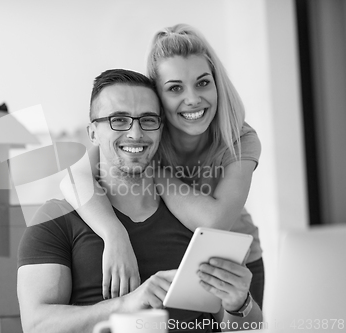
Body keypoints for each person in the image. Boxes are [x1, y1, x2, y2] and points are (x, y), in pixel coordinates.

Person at [17, 69, 263, 333]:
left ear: (161, 130)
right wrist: (124, 306)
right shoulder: (55, 220)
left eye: (147, 120)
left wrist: (240, 305)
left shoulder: (194, 218)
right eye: (118, 120)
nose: (135, 133)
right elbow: (36, 325)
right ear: (92, 133)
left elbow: (243, 328)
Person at [60, 24, 265, 308]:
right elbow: (72, 177)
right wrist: (114, 234)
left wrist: (152, 169)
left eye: (203, 82)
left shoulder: (239, 137)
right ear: (158, 96)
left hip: (233, 266)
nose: (192, 99)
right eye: (175, 88)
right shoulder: (147, 128)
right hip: (173, 255)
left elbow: (214, 223)